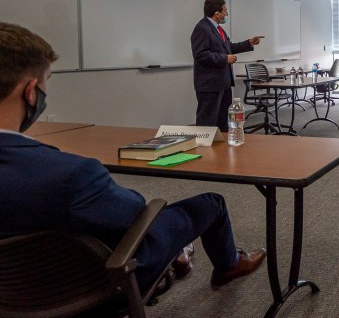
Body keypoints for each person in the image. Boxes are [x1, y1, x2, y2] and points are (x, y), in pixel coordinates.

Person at [0, 22, 267, 292]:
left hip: (14, 299)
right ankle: (226, 264)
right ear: (31, 91)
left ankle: (179, 253)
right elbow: (134, 213)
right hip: (92, 289)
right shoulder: (73, 176)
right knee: (211, 203)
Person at [192, 0, 263, 131]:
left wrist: (249, 43)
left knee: (223, 120)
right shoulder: (202, 28)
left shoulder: (218, 29)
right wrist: (224, 58)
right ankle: (205, 149)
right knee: (208, 121)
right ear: (217, 14)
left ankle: (221, 149)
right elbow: (200, 55)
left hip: (223, 82)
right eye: (225, 11)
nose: (227, 14)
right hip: (210, 84)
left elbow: (228, 47)